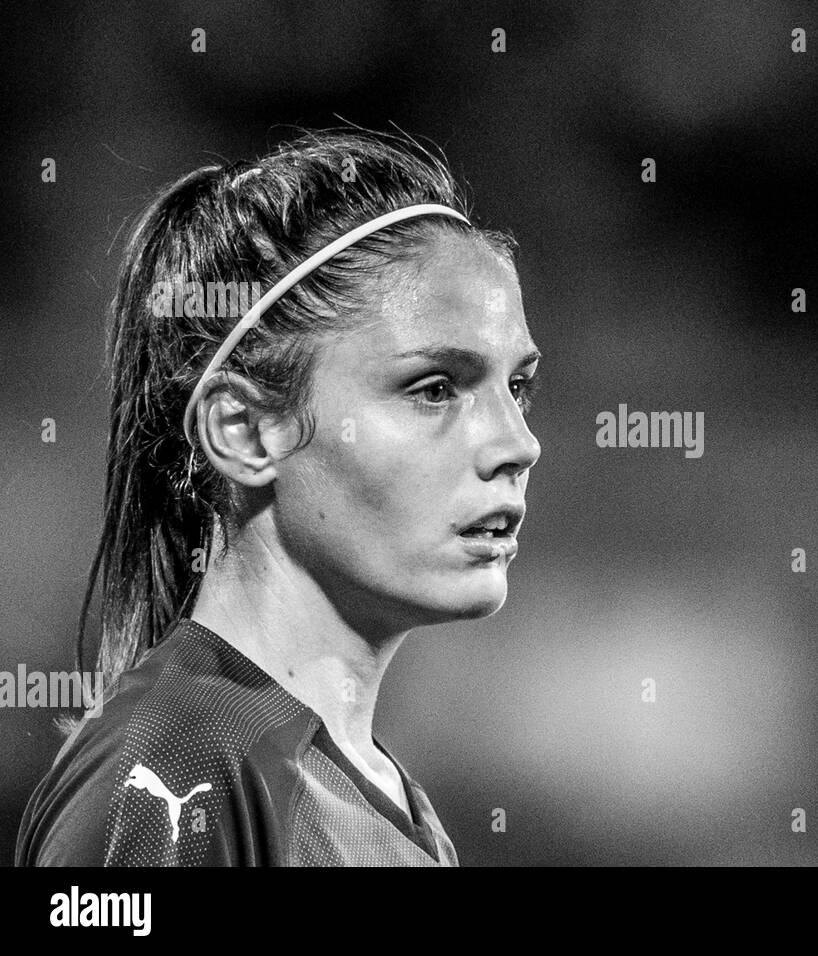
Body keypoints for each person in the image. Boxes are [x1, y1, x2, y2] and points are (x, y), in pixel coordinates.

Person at [15, 128, 542, 865]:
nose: (517, 442)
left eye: (517, 387)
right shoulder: (176, 773)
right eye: (433, 389)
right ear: (246, 431)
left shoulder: (386, 805)